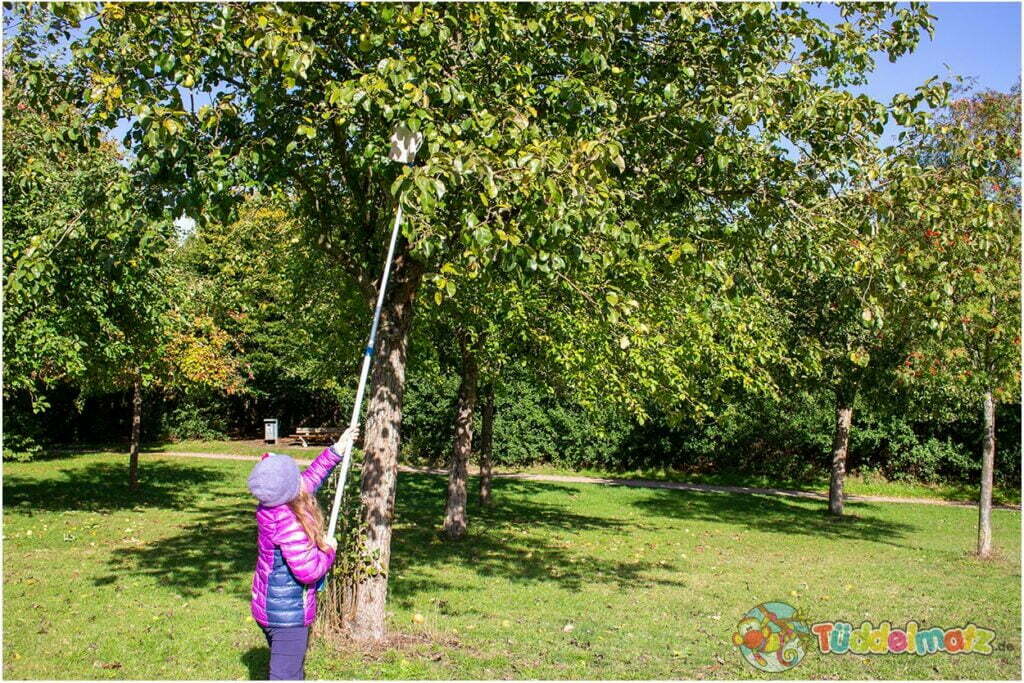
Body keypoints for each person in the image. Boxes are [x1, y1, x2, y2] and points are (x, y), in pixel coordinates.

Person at [246, 425, 358, 680]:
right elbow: (308, 571)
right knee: (286, 676)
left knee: (288, 668)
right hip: (288, 617)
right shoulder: (290, 525)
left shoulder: (270, 508)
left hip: (267, 608)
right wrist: (328, 550)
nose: (301, 479)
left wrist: (336, 450)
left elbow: (309, 479)